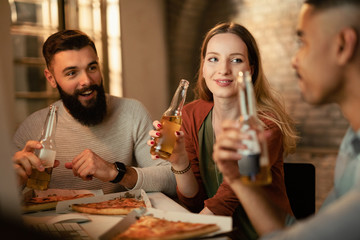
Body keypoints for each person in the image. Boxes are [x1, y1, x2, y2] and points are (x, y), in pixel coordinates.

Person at [213, 1, 360, 239]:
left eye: (303, 43)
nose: (294, 60)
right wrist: (239, 181)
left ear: (342, 46)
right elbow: (294, 233)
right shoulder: (351, 143)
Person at [149, 22, 298, 239]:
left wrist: (183, 233)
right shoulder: (190, 114)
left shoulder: (264, 126)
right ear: (203, 67)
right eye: (213, 59)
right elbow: (194, 200)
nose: (224, 69)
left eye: (236, 60)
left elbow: (226, 201)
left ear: (251, 69)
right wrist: (179, 162)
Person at [12, 30, 176, 196]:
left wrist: (116, 172)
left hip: (122, 218)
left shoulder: (133, 112)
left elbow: (171, 178)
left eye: (92, 68)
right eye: (71, 73)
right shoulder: (32, 128)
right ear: (51, 78)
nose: (87, 81)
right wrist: (14, 183)